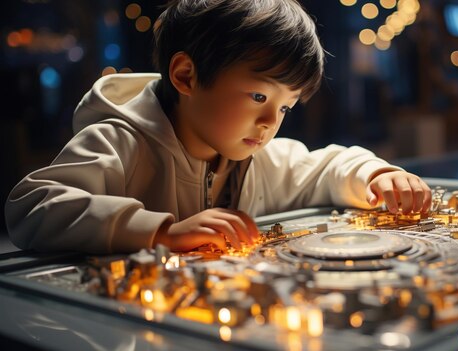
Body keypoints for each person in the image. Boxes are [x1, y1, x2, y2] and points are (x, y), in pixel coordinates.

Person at [5, 0, 431, 254]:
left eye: (285, 107)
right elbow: (31, 205)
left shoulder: (254, 154)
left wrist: (378, 174)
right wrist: (160, 232)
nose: (269, 123)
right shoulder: (121, 141)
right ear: (187, 76)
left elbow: (326, 166)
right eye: (259, 97)